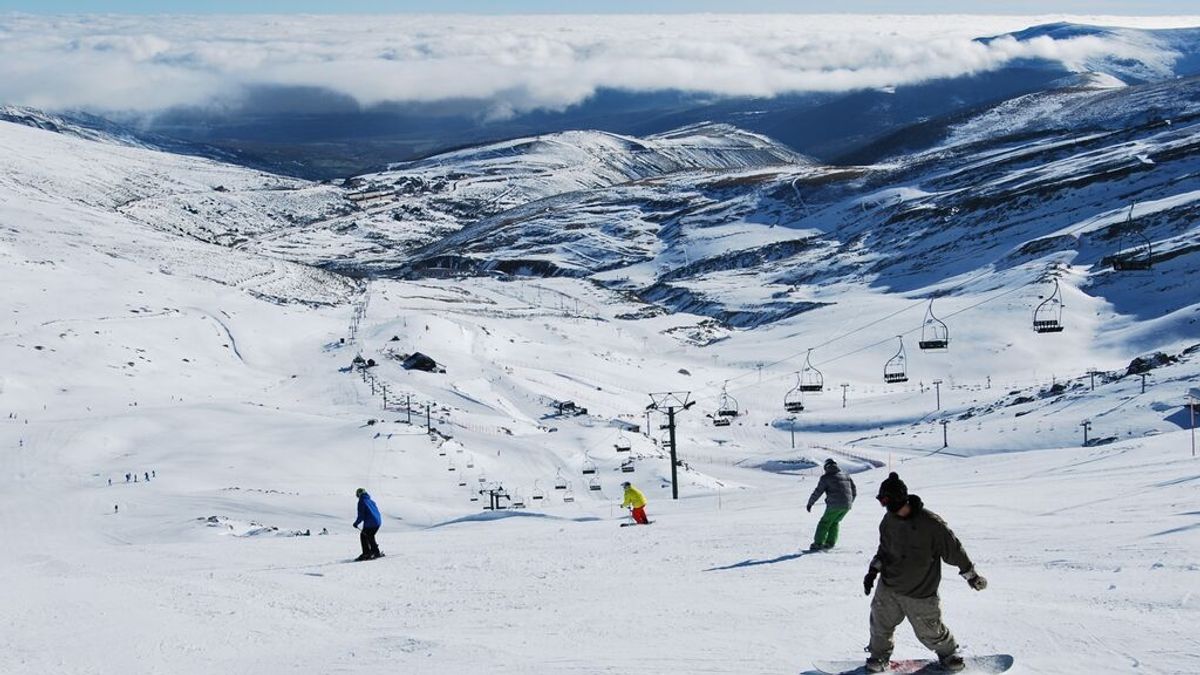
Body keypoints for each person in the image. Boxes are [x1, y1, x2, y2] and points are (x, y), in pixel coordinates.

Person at [862, 473, 987, 673]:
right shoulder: (888, 520)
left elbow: (954, 550)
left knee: (930, 631)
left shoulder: (931, 524)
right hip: (889, 585)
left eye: (888, 502)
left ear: (899, 499)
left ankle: (949, 655)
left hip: (920, 591)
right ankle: (878, 657)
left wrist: (971, 576)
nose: (887, 508)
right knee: (880, 625)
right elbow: (884, 549)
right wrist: (872, 571)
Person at [806, 458, 856, 551]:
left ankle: (818, 543)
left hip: (834, 505)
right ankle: (830, 543)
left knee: (824, 523)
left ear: (826, 467)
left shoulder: (826, 477)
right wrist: (849, 501)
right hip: (847, 505)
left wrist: (810, 503)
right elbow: (854, 491)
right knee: (834, 522)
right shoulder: (846, 475)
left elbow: (818, 492)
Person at [352, 488, 383, 561]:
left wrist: (356, 523)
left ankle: (366, 554)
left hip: (371, 523)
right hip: (377, 522)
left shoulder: (361, 501)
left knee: (363, 536)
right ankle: (375, 552)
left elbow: (361, 515)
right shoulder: (371, 501)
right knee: (370, 536)